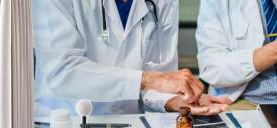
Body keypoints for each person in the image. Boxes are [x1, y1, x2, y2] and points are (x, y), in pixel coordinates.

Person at [33, 0, 231, 116]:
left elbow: (160, 75)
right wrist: (148, 80)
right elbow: (63, 72)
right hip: (66, 125)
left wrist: (175, 100)